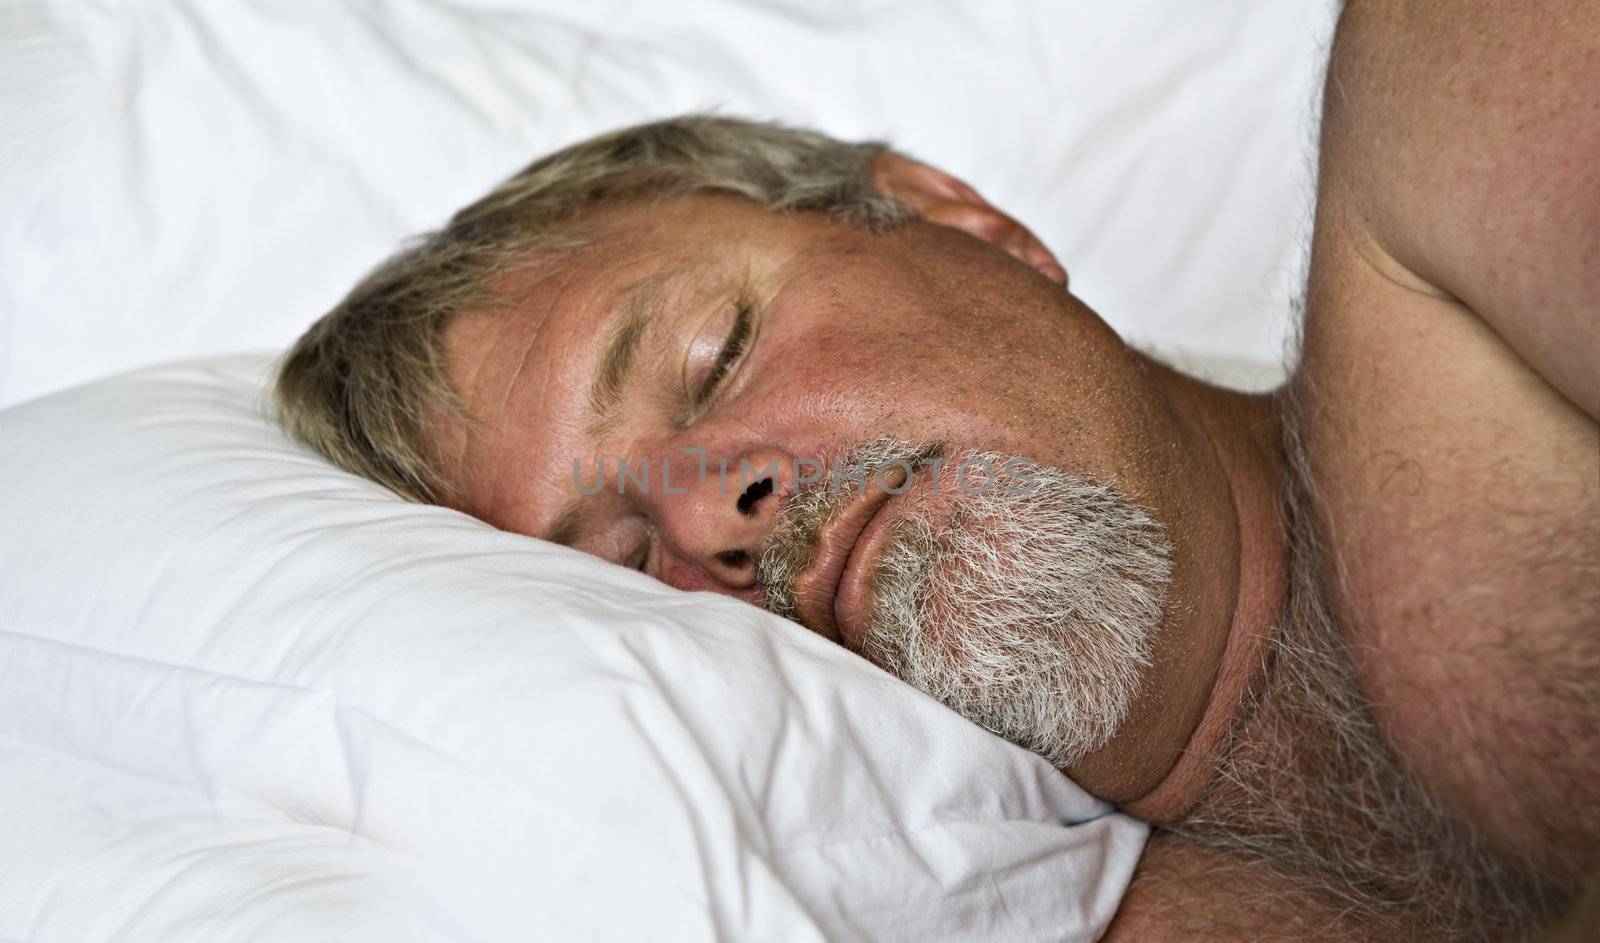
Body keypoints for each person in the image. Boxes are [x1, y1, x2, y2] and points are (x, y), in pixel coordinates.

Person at [275, 2, 1598, 938]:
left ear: (960, 222)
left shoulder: (1459, 105)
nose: (705, 511)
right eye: (616, 561)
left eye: (717, 351)